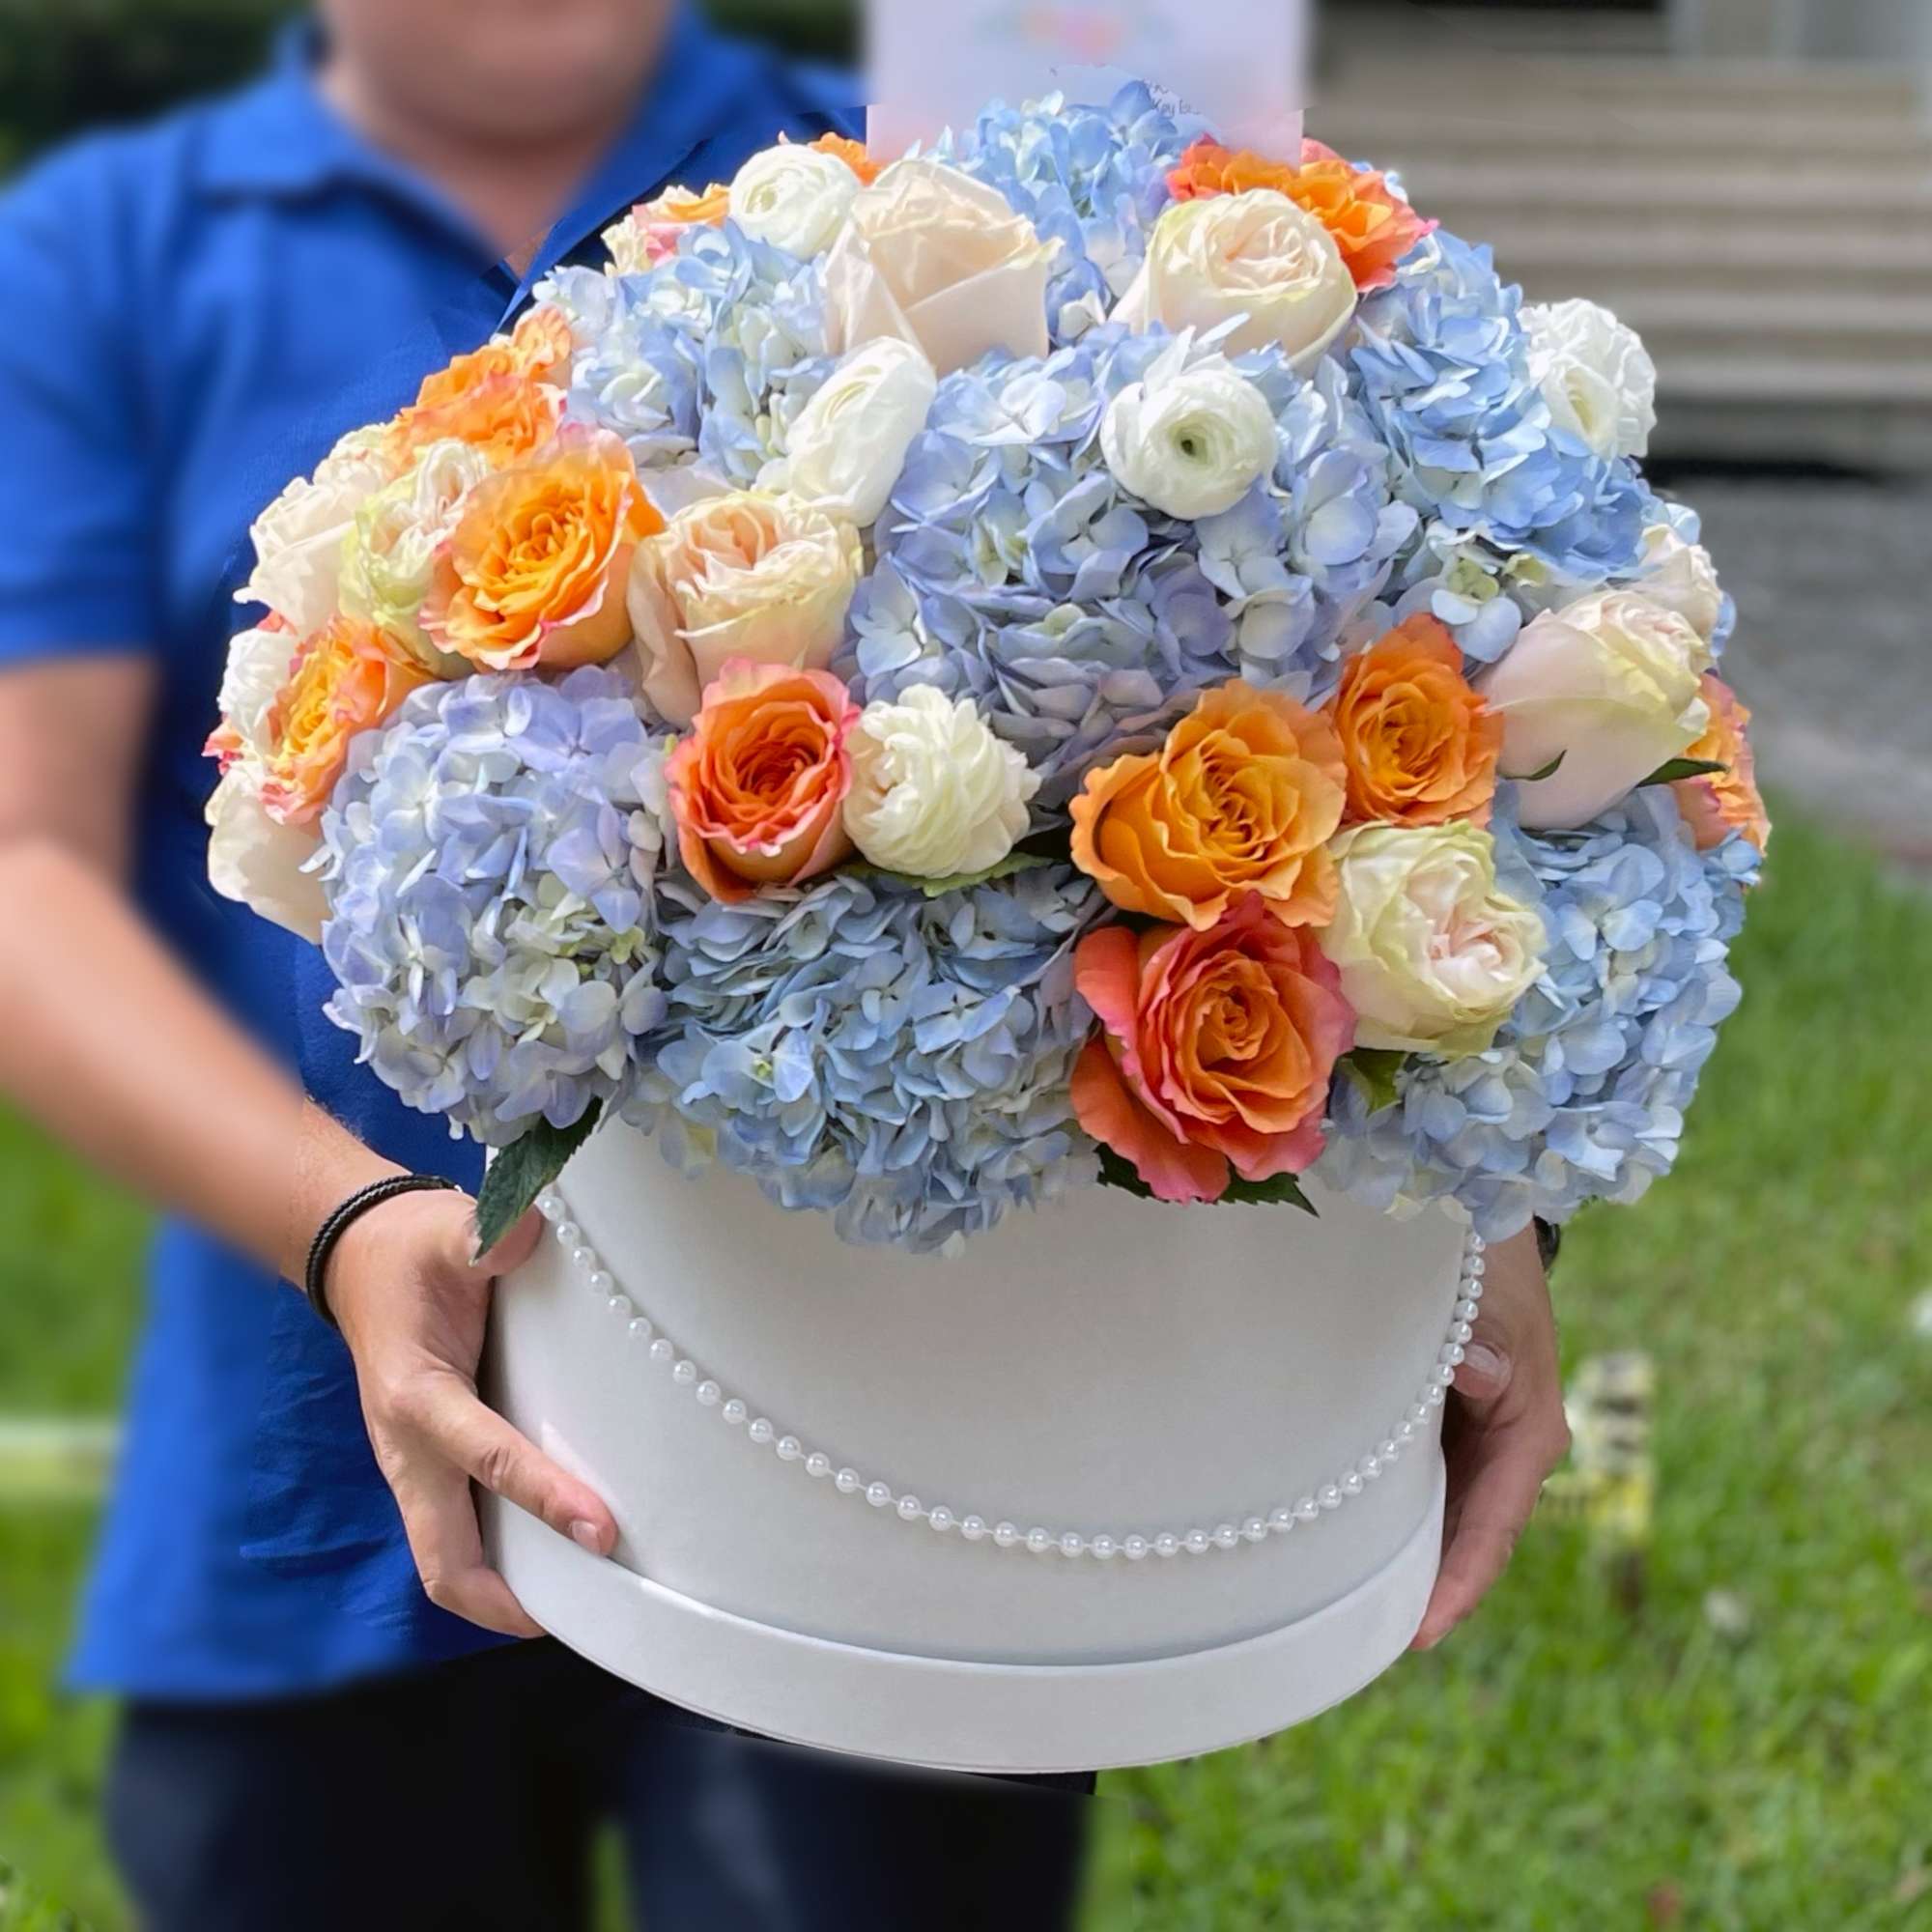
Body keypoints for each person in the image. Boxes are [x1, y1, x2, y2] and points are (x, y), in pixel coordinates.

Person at [0, 1, 1573, 1924]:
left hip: (907, 1464)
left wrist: (1472, 1197)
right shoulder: (112, 250)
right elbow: (26, 864)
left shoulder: (933, 177)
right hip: (302, 1458)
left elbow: (1342, 693)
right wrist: (338, 1228)